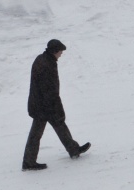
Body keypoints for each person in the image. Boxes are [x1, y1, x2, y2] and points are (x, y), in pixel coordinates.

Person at [22, 39, 90, 171]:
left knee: (60, 126)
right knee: (37, 133)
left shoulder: (41, 59)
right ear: (54, 51)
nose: (61, 54)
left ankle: (74, 150)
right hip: (44, 106)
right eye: (60, 51)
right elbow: (50, 90)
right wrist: (57, 108)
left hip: (39, 103)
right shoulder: (48, 64)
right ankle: (28, 162)